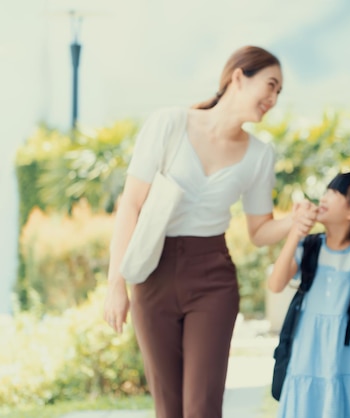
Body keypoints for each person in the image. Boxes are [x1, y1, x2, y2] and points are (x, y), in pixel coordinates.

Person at [103, 45, 317, 418]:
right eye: (269, 85)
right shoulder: (169, 123)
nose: (273, 98)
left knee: (202, 406)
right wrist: (115, 285)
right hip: (152, 274)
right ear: (238, 77)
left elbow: (259, 230)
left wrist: (293, 222)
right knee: (168, 406)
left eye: (279, 92)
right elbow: (131, 206)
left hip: (212, 278)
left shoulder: (259, 155)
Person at [268, 172, 350, 418]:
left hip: (348, 350)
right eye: (326, 191)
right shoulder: (310, 245)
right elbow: (276, 283)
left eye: (334, 193)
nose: (323, 198)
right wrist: (296, 232)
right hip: (307, 346)